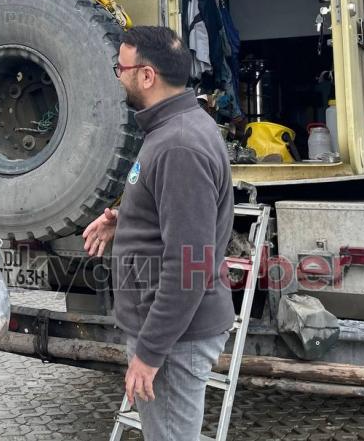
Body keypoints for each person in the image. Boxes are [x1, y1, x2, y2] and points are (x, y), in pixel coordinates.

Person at [83, 26, 235, 441]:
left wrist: (150, 354)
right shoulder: (173, 130)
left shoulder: (179, 144)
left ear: (147, 76)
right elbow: (173, 215)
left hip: (175, 338)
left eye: (122, 67)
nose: (118, 76)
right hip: (172, 331)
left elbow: (190, 264)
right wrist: (123, 218)